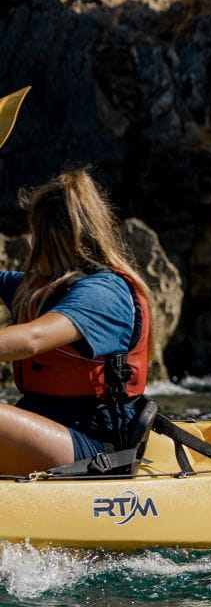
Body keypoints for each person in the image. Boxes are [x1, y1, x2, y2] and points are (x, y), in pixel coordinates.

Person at [0, 169, 152, 475]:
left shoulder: (104, 293)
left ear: (47, 236)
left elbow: (32, 340)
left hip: (96, 449)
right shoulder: (40, 287)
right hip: (53, 430)